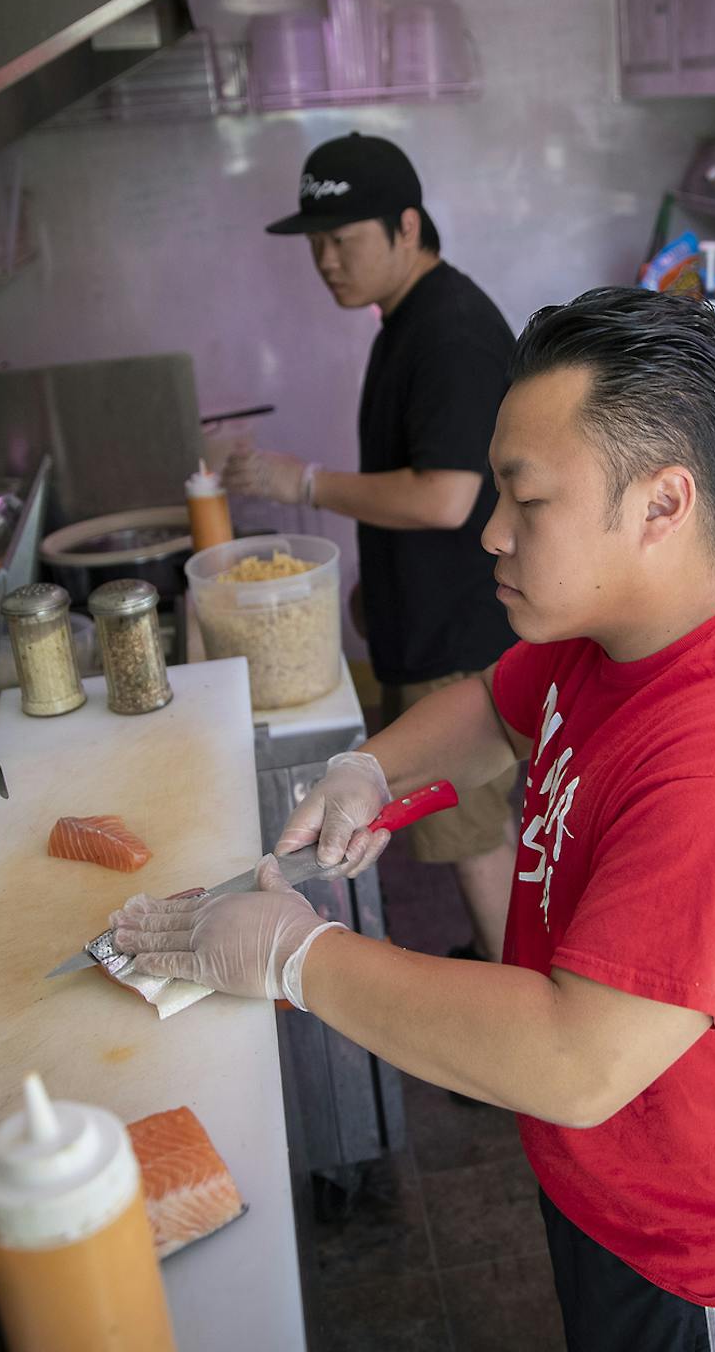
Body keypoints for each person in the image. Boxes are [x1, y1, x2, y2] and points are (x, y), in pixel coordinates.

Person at [117, 287, 715, 1350]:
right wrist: (368, 767)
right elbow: (497, 706)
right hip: (611, 1190)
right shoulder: (616, 625)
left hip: (709, 1252)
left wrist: (299, 960)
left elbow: (575, 1060)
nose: (492, 533)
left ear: (662, 504)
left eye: (528, 500)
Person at [229, 132, 518, 962]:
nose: (325, 261)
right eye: (316, 243)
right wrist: (379, 589)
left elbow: (445, 496)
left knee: (473, 839)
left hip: (457, 639)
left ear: (406, 226)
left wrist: (305, 483)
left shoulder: (450, 330)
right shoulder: (407, 315)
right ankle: (505, 961)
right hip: (430, 618)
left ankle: (508, 1018)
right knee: (480, 830)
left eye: (342, 240)